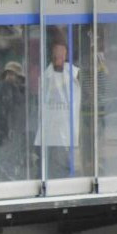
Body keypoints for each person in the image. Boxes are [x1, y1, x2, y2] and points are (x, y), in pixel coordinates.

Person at [35, 41, 81, 178]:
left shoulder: (73, 71)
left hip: (67, 126)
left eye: (62, 53)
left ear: (66, 54)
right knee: (53, 159)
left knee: (65, 158)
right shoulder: (46, 75)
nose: (59, 56)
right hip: (51, 127)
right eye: (56, 53)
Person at [0, 61, 28, 181]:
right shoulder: (0, 88)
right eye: (8, 74)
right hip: (2, 131)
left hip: (17, 131)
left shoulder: (22, 92)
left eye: (13, 75)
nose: (10, 78)